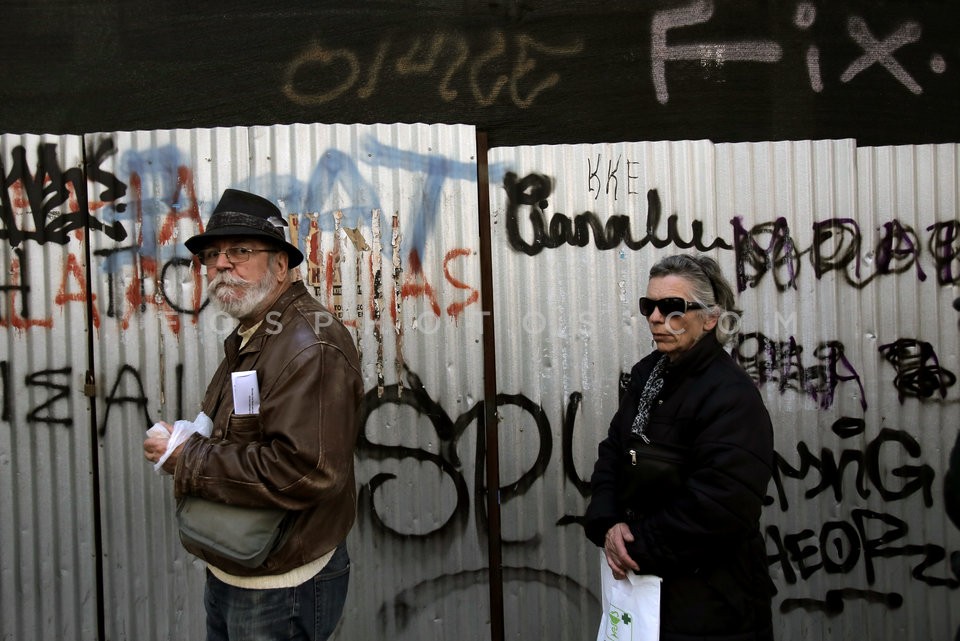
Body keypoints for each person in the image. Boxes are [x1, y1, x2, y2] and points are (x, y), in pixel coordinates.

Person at [143, 188, 363, 641]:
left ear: (281, 264)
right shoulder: (259, 329)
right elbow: (246, 428)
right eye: (213, 254)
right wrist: (193, 434)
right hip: (241, 565)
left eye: (241, 250)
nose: (222, 263)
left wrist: (187, 456)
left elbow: (307, 470)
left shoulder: (311, 345)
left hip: (282, 586)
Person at [584, 253, 775, 641]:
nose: (656, 317)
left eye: (671, 306)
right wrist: (607, 524)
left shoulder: (730, 395)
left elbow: (722, 504)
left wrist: (632, 545)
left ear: (709, 318)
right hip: (643, 600)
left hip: (711, 607)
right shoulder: (647, 374)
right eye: (649, 305)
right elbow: (614, 453)